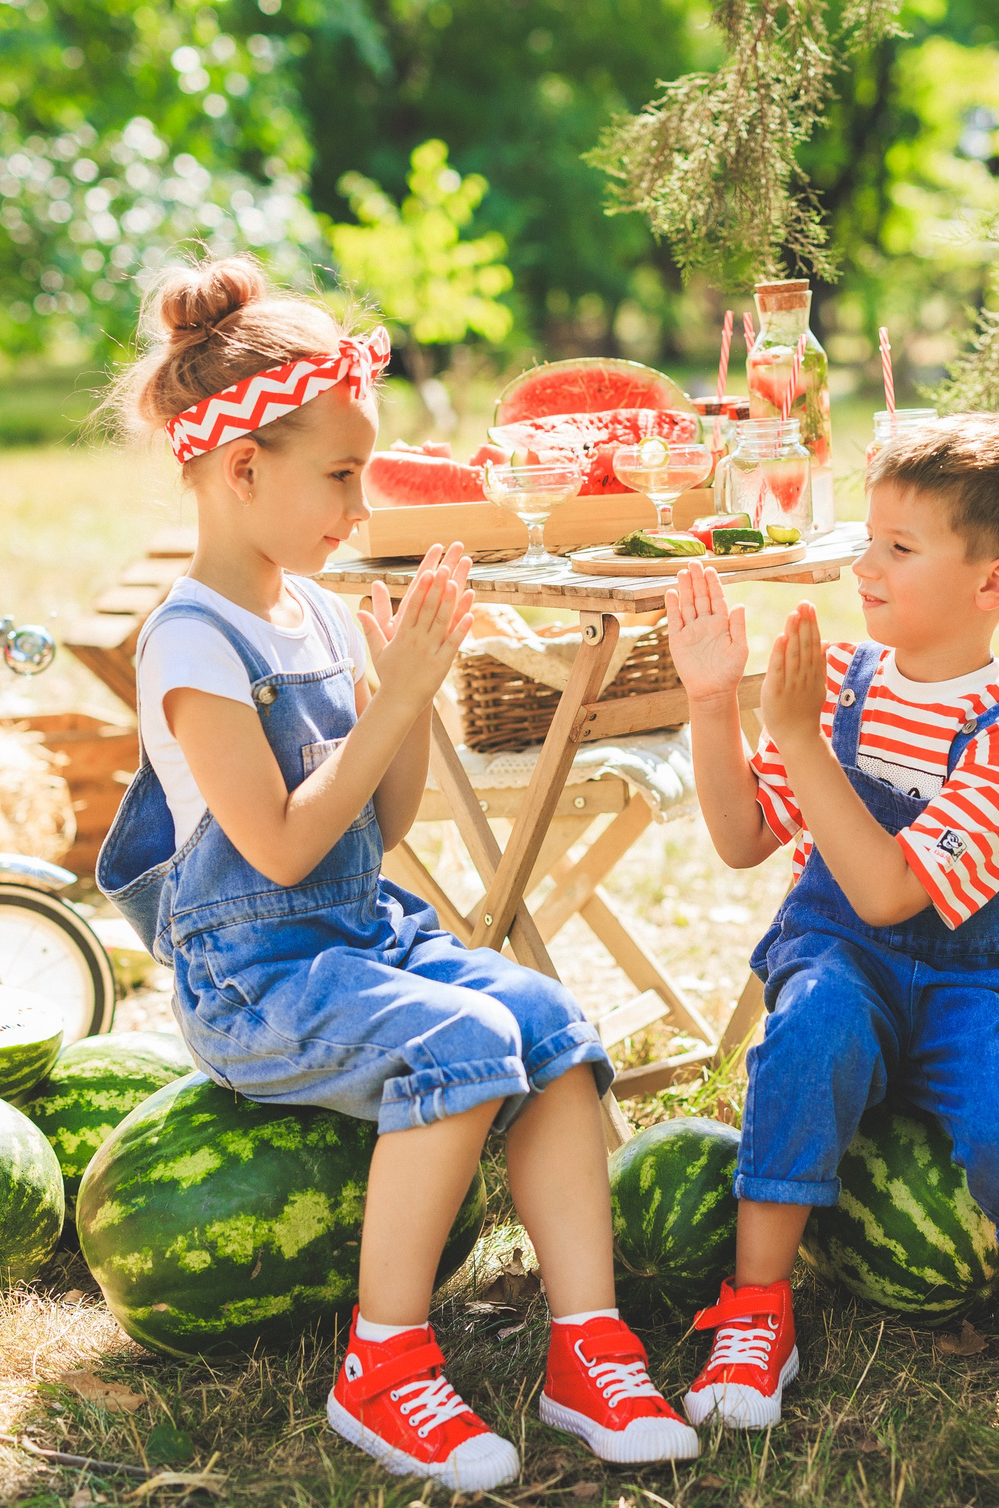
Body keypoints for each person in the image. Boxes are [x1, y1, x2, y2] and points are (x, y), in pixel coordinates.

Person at [95, 254, 696, 1489]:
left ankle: (588, 1345)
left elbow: (394, 814)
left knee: (550, 1024)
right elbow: (276, 844)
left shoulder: (312, 612)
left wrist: (401, 695)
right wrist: (400, 696)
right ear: (240, 467)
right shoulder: (189, 641)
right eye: (339, 474)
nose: (360, 505)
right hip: (253, 980)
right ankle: (384, 1363)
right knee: (465, 1044)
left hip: (355, 932)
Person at [660, 413, 999, 1427]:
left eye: (898, 548)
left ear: (991, 582)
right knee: (809, 1036)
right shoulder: (835, 687)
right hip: (837, 951)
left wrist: (793, 734)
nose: (862, 566)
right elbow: (745, 838)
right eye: (867, 538)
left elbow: (888, 890)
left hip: (968, 978)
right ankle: (755, 1307)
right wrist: (711, 702)